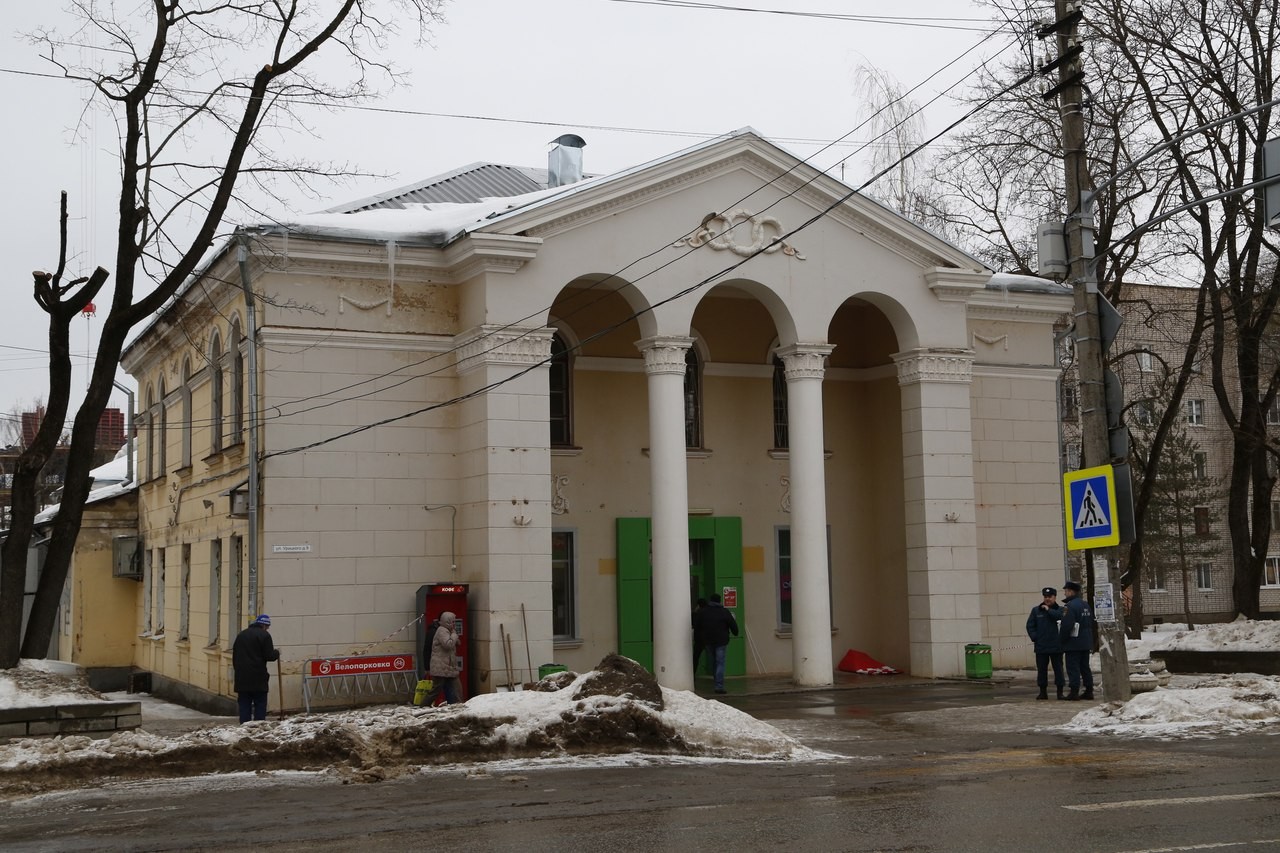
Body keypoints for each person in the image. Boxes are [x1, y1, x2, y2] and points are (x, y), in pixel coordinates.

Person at [232, 614, 280, 723]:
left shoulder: (241, 635)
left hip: (242, 677)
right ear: (264, 625)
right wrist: (277, 653)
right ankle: (258, 727)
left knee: (244, 704)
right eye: (267, 627)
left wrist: (238, 671)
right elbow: (269, 656)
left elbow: (235, 656)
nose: (267, 629)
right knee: (260, 703)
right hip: (258, 677)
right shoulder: (265, 635)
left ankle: (244, 727)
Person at [691, 593, 738, 694]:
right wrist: (735, 632)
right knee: (720, 662)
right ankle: (719, 686)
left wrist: (700, 637)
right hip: (721, 641)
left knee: (715, 661)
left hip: (708, 641)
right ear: (719, 601)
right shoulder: (724, 612)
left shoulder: (703, 612)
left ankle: (717, 682)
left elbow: (697, 625)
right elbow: (733, 625)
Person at [1025, 586, 1065, 700]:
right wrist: (1035, 637)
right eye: (1045, 597)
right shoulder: (1036, 610)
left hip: (1056, 646)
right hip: (1041, 646)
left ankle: (1060, 692)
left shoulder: (1060, 609)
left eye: (1050, 597)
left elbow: (1061, 618)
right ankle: (1043, 692)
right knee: (1042, 670)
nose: (1047, 599)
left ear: (1055, 597)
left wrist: (1049, 610)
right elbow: (1030, 625)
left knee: (1058, 669)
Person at [1059, 580, 1095, 701]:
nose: (1065, 594)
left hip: (1073, 642)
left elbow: (1066, 625)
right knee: (1085, 667)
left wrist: (1062, 639)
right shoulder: (1085, 605)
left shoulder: (1069, 606)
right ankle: (1089, 690)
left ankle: (1074, 691)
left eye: (1066, 591)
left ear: (1070, 591)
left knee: (1073, 667)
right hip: (1086, 641)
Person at [422, 611, 462, 706]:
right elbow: (448, 645)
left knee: (457, 689)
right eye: (452, 622)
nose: (454, 624)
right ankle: (423, 706)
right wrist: (454, 636)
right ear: (447, 622)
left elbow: (456, 643)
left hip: (449, 667)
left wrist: (454, 635)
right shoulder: (441, 631)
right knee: (435, 690)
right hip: (440, 667)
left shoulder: (449, 631)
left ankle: (459, 706)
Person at [692, 597, 708, 673]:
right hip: (709, 639)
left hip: (699, 639)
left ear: (698, 605)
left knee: (695, 658)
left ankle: (693, 674)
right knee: (715, 658)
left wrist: (694, 612)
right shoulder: (709, 613)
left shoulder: (697, 614)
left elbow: (694, 624)